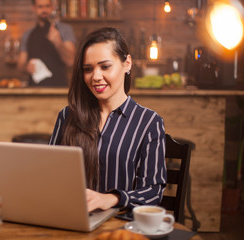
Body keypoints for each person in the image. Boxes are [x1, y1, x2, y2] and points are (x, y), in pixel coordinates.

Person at [49, 27, 167, 212]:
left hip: (120, 226)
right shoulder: (67, 116)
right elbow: (50, 175)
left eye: (105, 66)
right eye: (88, 69)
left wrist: (111, 199)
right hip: (71, 219)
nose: (95, 77)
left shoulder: (149, 122)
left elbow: (152, 192)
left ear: (127, 63)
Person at [17, 0, 76, 87]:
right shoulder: (28, 34)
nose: (44, 10)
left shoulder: (65, 30)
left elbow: (70, 61)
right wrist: (26, 68)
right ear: (34, 8)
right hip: (33, 90)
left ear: (52, 7)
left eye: (47, 6)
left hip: (59, 88)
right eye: (40, 7)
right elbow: (20, 65)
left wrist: (58, 42)